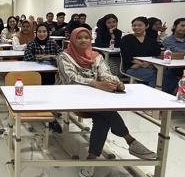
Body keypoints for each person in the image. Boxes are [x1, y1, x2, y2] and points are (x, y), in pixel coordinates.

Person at [56, 27, 157, 177]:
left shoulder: (96, 56)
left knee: (102, 119)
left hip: (95, 98)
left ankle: (92, 159)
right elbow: (70, 79)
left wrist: (117, 83)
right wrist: (95, 83)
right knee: (105, 111)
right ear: (72, 39)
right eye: (79, 37)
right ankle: (129, 140)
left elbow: (105, 74)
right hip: (71, 97)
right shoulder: (64, 56)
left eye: (87, 37)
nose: (84, 40)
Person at [120, 17, 177, 91]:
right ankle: (153, 96)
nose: (136, 27)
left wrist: (149, 64)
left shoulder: (150, 40)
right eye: (134, 25)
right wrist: (141, 64)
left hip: (151, 66)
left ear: (146, 26)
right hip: (132, 67)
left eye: (140, 25)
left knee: (170, 75)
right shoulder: (127, 38)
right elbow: (127, 55)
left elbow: (157, 53)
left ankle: (167, 95)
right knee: (156, 76)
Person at [162, 18, 185, 94]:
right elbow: (179, 52)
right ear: (174, 26)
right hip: (174, 68)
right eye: (182, 25)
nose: (184, 28)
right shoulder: (168, 40)